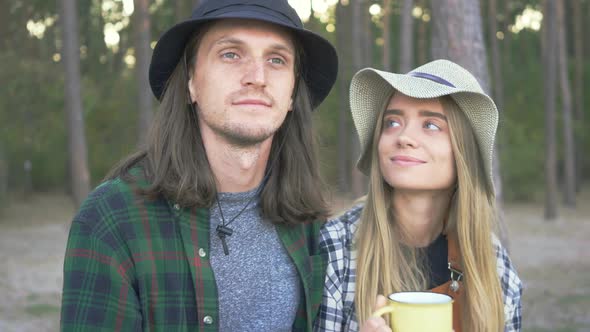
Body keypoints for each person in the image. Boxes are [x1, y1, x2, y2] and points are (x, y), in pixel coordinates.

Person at [60, 0, 338, 331]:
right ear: (192, 80)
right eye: (231, 54)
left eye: (277, 60)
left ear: (292, 93)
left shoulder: (310, 224)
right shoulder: (112, 219)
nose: (257, 77)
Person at [314, 60, 522, 332]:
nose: (404, 136)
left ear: (464, 153)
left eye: (431, 125)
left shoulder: (494, 265)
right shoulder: (335, 249)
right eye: (392, 122)